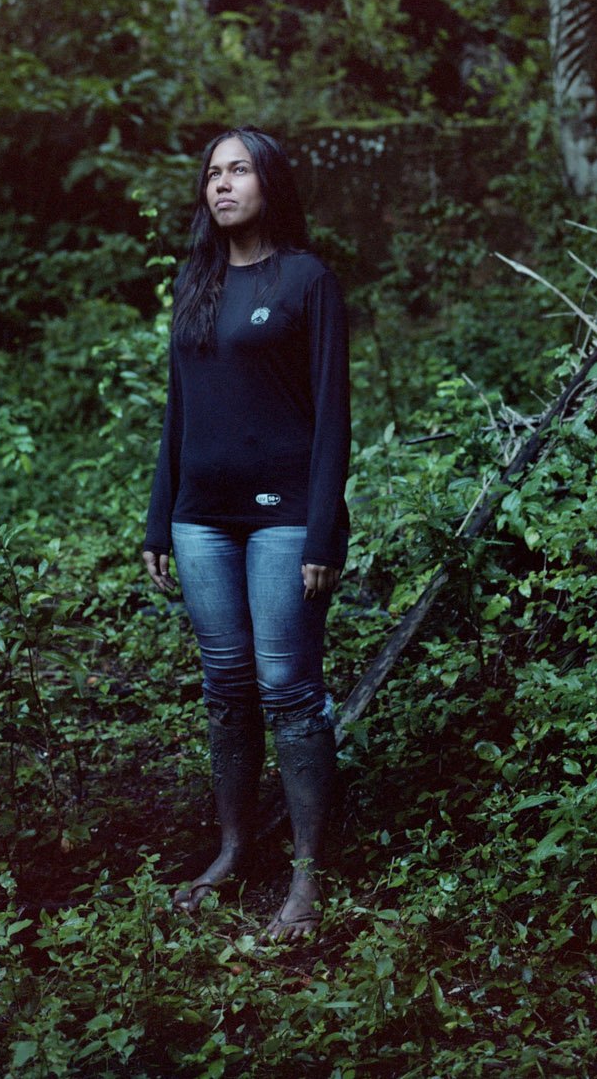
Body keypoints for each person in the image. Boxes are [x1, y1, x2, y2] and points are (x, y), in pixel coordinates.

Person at [141, 125, 350, 940]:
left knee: (288, 689)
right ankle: (233, 849)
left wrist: (323, 531)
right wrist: (161, 516)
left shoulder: (308, 280)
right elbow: (178, 412)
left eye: (240, 171)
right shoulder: (195, 284)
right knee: (225, 688)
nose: (222, 185)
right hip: (202, 520)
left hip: (284, 518)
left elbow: (334, 416)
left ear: (271, 184)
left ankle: (306, 874)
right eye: (213, 173)